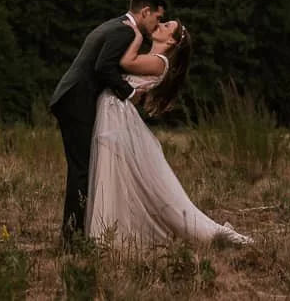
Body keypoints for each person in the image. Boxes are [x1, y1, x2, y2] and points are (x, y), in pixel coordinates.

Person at [87, 18, 252, 247]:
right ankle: (110, 227)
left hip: (117, 113)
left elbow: (125, 61)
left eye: (167, 27)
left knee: (116, 170)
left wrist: (135, 35)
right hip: (114, 111)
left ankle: (108, 233)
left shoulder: (159, 62)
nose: (161, 25)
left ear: (171, 41)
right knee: (115, 173)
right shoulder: (154, 59)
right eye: (164, 22)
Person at [50, 0, 164, 247]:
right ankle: (72, 239)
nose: (156, 24)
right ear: (145, 11)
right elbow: (104, 67)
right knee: (81, 169)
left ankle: (75, 233)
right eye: (157, 17)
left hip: (72, 98)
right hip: (76, 101)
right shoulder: (125, 31)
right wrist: (131, 93)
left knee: (81, 168)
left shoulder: (115, 25)